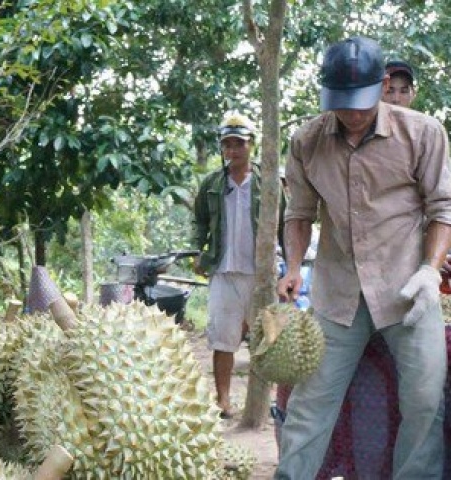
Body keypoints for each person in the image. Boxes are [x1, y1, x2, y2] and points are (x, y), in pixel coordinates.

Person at [275, 36, 451, 479]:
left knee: (425, 400)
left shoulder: (423, 133)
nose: (353, 115)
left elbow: (443, 209)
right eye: (342, 104)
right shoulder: (307, 141)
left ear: (385, 84)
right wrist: (294, 268)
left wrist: (430, 272)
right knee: (308, 406)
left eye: (362, 103)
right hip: (338, 295)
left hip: (408, 292)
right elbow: (299, 213)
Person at [192, 111, 260, 420]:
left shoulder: (267, 183)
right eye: (227, 145)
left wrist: (290, 267)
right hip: (224, 270)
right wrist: (198, 252)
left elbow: (286, 223)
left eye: (239, 144)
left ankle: (258, 404)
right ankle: (223, 399)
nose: (232, 151)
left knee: (266, 339)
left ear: (251, 145)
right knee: (223, 338)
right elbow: (200, 222)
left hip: (261, 273)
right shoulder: (212, 184)